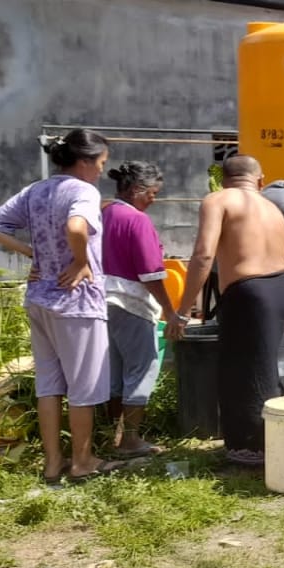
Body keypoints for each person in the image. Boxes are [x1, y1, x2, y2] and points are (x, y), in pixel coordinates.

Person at [0, 129, 119, 484]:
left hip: (39, 298)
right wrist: (80, 260)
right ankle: (83, 461)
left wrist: (32, 253)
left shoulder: (36, 190)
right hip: (76, 303)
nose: (102, 171)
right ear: (85, 161)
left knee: (49, 386)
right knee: (83, 388)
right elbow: (77, 226)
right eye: (101, 163)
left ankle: (52, 464)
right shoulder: (83, 191)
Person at [166, 155, 284, 466]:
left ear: (223, 179)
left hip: (248, 291)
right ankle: (273, 441)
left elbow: (203, 255)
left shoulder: (218, 199)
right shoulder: (273, 208)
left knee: (243, 371)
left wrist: (182, 311)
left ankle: (252, 449)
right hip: (278, 287)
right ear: (260, 180)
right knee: (264, 367)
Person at [102, 160, 176, 458]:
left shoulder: (104, 212)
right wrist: (169, 310)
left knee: (114, 373)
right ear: (136, 190)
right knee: (142, 368)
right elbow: (151, 274)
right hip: (130, 301)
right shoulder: (136, 220)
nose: (154, 199)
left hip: (101, 301)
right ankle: (131, 440)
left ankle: (109, 435)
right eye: (152, 192)